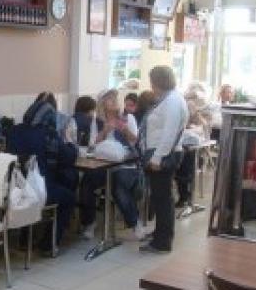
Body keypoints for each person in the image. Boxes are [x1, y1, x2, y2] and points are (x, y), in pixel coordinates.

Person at [7, 98, 77, 251]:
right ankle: (48, 244)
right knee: (69, 198)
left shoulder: (14, 131)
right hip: (39, 190)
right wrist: (70, 142)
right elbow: (68, 158)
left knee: (34, 186)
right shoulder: (48, 134)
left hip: (15, 188)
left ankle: (25, 238)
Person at [79, 89, 144, 240]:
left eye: (115, 97)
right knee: (87, 182)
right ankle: (90, 223)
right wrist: (104, 131)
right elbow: (91, 146)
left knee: (118, 186)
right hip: (104, 164)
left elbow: (136, 141)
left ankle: (135, 223)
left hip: (126, 164)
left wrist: (124, 129)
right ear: (102, 104)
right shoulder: (97, 121)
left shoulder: (128, 118)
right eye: (109, 98)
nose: (114, 100)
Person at [139, 66, 188, 253]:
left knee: (163, 198)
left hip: (163, 154)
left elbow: (169, 133)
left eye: (152, 81)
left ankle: (162, 241)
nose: (151, 85)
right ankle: (160, 233)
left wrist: (157, 158)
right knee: (160, 197)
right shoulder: (168, 99)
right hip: (161, 152)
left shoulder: (173, 101)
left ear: (158, 81)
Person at [175, 91, 211, 208]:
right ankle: (184, 195)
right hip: (181, 146)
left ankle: (185, 196)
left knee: (185, 163)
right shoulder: (181, 110)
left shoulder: (199, 116)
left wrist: (193, 124)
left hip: (192, 149)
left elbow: (204, 129)